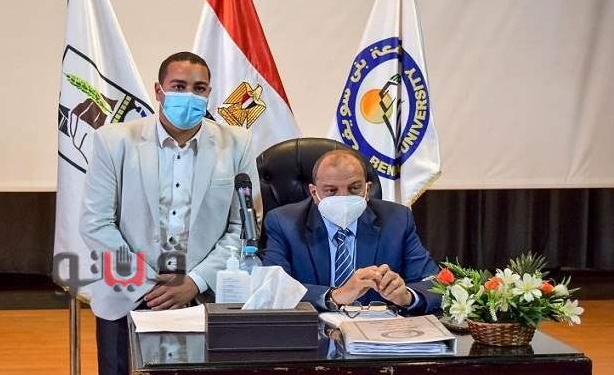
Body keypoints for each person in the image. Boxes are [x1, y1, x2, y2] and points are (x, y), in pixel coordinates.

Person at [79, 51, 259, 375]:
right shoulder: (114, 141)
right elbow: (96, 224)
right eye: (178, 86)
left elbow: (243, 228)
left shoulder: (237, 143)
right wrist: (150, 286)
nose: (188, 95)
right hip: (127, 296)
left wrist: (194, 282)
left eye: (199, 88)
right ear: (158, 91)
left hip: (204, 297)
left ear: (208, 93)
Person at [262, 149, 439, 314]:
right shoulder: (283, 223)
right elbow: (274, 290)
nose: (343, 197)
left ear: (367, 190)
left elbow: (435, 284)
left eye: (354, 188)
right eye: (331, 191)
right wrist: (335, 296)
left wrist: (407, 296)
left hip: (376, 330)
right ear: (314, 193)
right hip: (313, 331)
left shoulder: (397, 220)